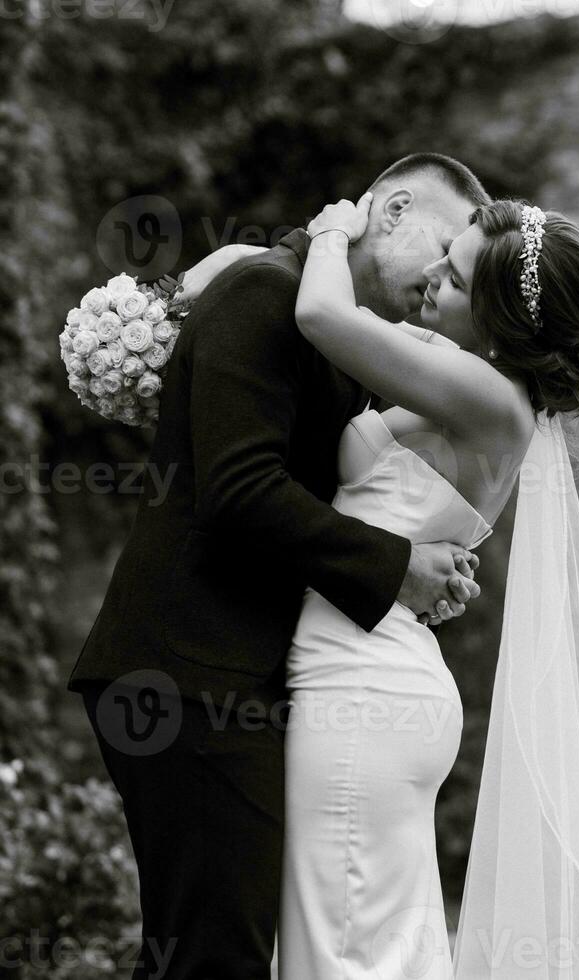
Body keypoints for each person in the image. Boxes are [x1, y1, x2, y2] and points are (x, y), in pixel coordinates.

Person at [67, 153, 490, 980]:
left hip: (233, 675)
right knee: (213, 956)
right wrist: (395, 565)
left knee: (219, 951)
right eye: (440, 249)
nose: (441, 278)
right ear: (393, 210)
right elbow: (239, 488)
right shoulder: (266, 293)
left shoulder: (327, 324)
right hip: (183, 671)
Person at [262, 192, 579, 979]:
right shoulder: (471, 384)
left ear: (504, 324)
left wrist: (333, 232)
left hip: (362, 691)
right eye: (448, 253)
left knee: (339, 951)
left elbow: (323, 319)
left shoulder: (488, 398)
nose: (435, 274)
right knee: (370, 948)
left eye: (459, 275)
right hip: (372, 678)